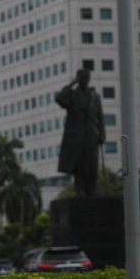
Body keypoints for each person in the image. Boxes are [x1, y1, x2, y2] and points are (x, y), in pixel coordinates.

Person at [55, 68, 105, 197]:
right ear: (78, 79)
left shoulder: (95, 97)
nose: (85, 80)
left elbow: (100, 117)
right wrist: (72, 84)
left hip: (92, 134)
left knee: (92, 163)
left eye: (87, 77)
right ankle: (80, 189)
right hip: (76, 136)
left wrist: (102, 133)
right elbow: (59, 98)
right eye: (82, 77)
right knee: (79, 164)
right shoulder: (72, 95)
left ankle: (91, 188)